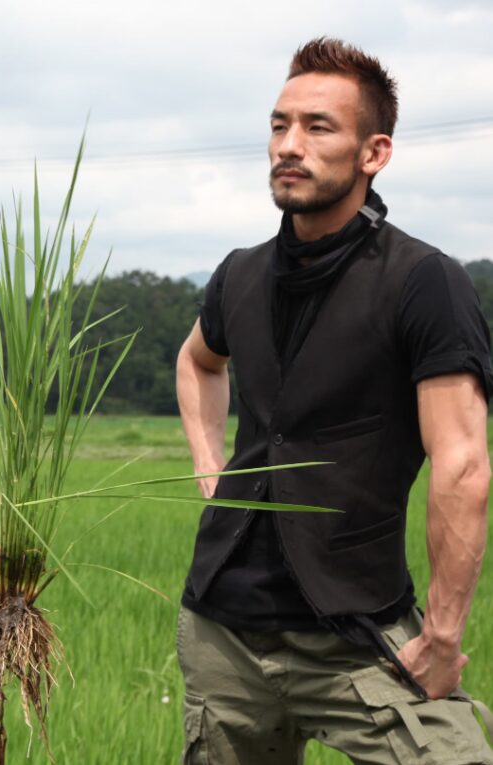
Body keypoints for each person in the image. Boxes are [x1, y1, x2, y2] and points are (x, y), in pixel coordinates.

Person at [175, 37, 493, 764]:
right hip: (222, 629)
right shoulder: (240, 274)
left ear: (372, 152)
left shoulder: (422, 282)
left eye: (317, 128)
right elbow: (197, 361)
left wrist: (442, 633)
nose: (288, 145)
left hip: (356, 631)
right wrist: (207, 459)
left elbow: (463, 465)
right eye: (279, 125)